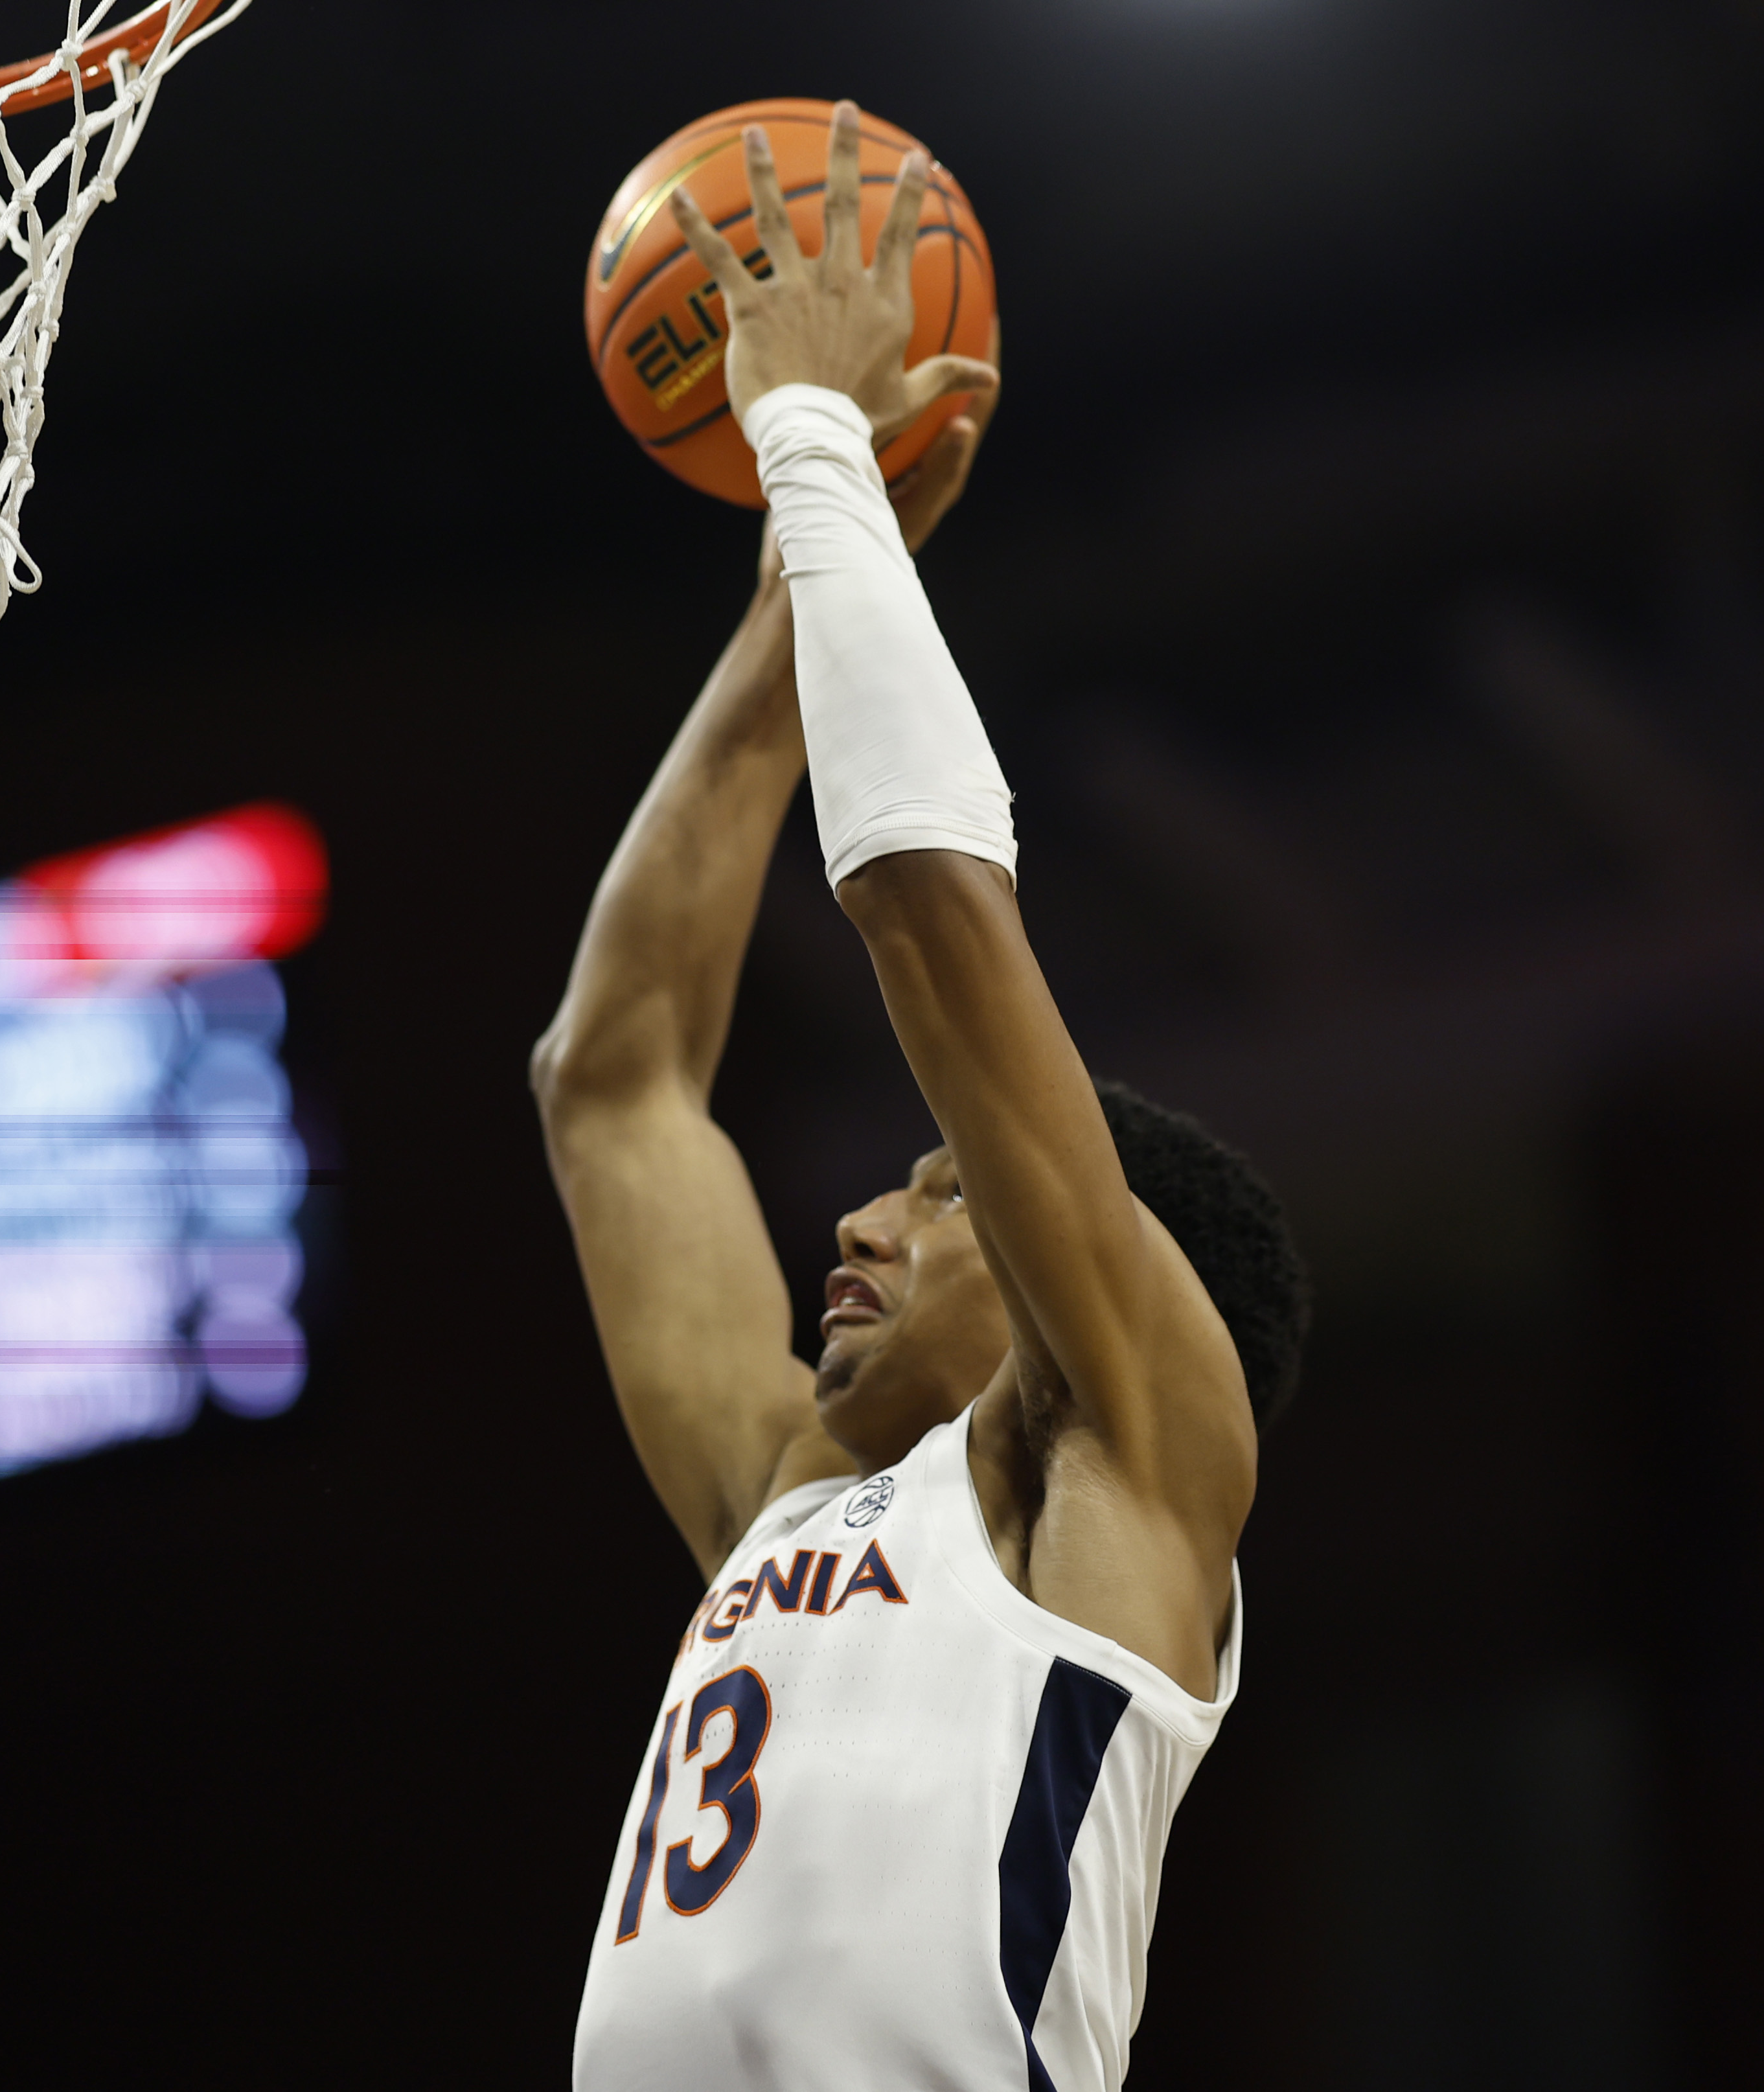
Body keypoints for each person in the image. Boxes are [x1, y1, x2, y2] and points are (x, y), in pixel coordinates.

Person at [531, 103, 1312, 2092]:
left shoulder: (1118, 1472)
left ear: (1099, 1273)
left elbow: (934, 919)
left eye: (944, 1190)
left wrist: (813, 458)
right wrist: (808, 581)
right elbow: (612, 1078)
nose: (861, 1224)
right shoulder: (783, 1499)